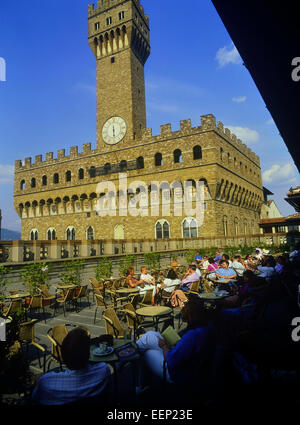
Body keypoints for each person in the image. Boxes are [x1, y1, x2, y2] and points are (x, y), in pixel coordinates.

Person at [136, 299, 216, 386]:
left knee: (147, 352)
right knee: (151, 335)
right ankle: (134, 354)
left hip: (177, 374)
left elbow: (170, 360)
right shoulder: (208, 329)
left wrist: (164, 346)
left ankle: (131, 358)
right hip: (192, 368)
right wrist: (178, 344)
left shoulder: (192, 336)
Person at [31, 327, 111, 405]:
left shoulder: (46, 382)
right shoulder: (103, 370)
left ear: (64, 356)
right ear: (88, 354)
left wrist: (40, 378)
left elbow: (36, 398)